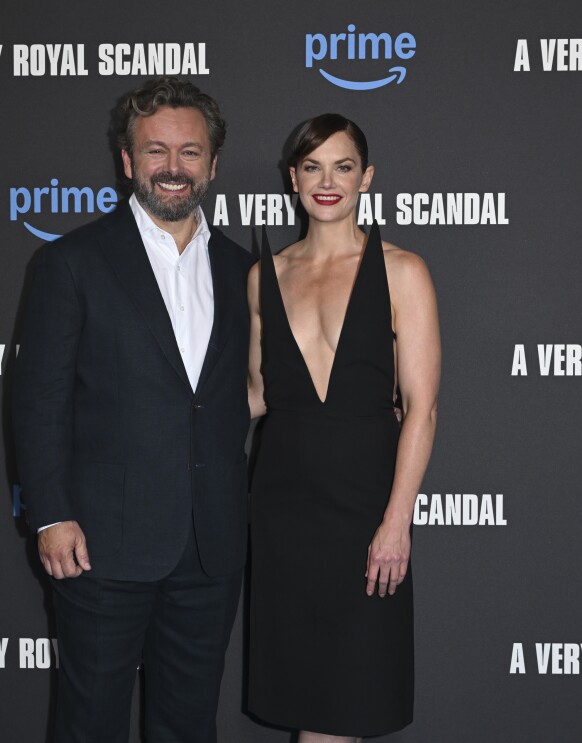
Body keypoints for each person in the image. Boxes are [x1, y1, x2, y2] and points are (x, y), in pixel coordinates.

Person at [12, 77, 252, 743]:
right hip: (100, 545)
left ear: (212, 164)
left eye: (189, 152)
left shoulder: (243, 269)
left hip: (210, 545)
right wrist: (52, 514)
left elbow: (238, 396)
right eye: (155, 151)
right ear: (127, 160)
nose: (172, 167)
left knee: (188, 724)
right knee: (90, 723)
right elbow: (39, 401)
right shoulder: (72, 262)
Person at [246, 114, 441, 742]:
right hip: (284, 512)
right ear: (292, 178)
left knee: (346, 704)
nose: (326, 181)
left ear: (367, 178)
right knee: (313, 708)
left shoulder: (404, 271)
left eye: (343, 166)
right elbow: (254, 396)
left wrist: (396, 522)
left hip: (364, 511)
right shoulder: (263, 277)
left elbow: (422, 407)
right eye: (312, 167)